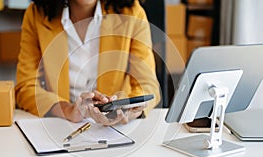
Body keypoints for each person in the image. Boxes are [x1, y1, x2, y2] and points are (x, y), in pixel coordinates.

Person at [15, 0, 161, 126]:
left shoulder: (132, 12)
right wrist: (67, 110)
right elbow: (25, 87)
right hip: (62, 124)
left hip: (114, 130)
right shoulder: (36, 14)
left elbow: (148, 85)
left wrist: (126, 111)